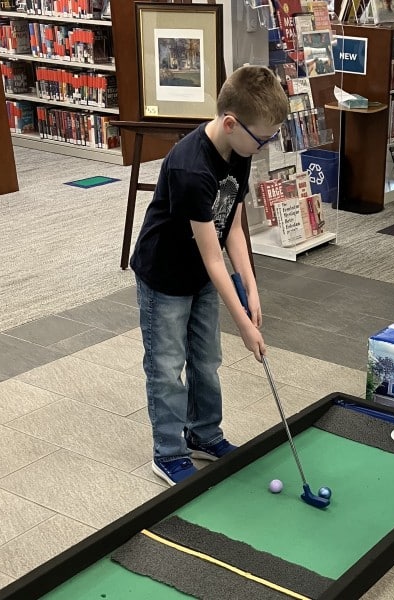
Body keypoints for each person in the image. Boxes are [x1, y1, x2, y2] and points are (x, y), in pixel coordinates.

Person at [130, 66, 290, 486]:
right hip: (164, 276)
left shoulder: (240, 151)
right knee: (167, 364)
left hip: (200, 275)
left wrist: (251, 287)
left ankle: (203, 434)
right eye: (263, 139)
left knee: (206, 358)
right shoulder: (191, 169)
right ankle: (168, 451)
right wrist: (244, 324)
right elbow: (212, 256)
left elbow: (232, 225)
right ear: (231, 123)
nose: (264, 146)